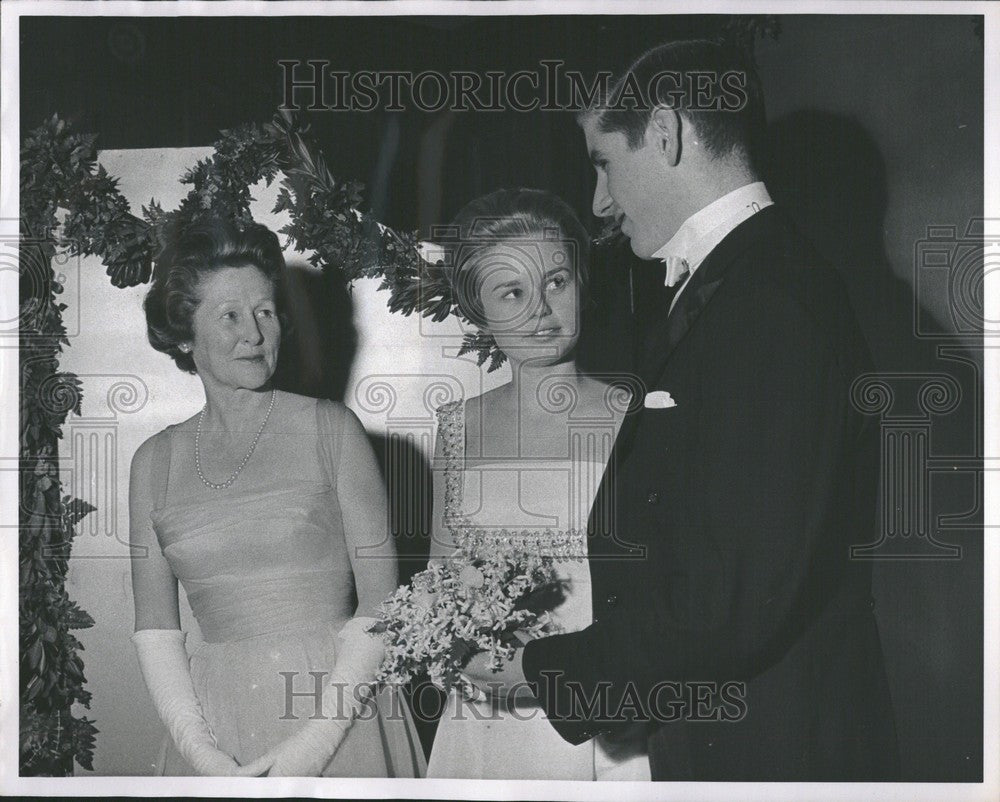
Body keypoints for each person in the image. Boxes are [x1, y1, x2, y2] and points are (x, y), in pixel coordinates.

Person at [465, 40, 900, 781]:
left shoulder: (768, 301)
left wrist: (546, 671)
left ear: (665, 134)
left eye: (603, 162)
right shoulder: (748, 279)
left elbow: (727, 600)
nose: (599, 202)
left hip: (775, 750)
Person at [128, 218, 425, 777]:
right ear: (185, 335)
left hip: (341, 713)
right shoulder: (153, 463)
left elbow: (384, 603)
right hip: (216, 726)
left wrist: (312, 748)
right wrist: (200, 752)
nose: (256, 334)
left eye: (265, 311)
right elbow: (156, 630)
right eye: (230, 316)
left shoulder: (331, 429)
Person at [423, 188, 650, 780]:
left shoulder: (635, 415)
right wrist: (459, 658)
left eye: (556, 282)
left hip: (602, 726)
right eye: (512, 292)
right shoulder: (456, 427)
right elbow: (438, 588)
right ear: (478, 307)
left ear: (582, 282)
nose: (540, 310)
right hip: (486, 724)